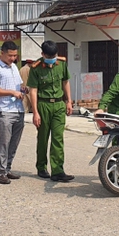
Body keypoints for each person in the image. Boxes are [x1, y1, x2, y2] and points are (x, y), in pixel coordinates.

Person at [27, 41, 74, 182]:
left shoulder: (62, 64)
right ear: (43, 54)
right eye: (49, 57)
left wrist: (69, 101)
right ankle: (41, 167)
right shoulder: (36, 68)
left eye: (54, 56)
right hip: (43, 105)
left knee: (58, 138)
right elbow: (33, 91)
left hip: (59, 105)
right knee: (43, 138)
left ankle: (58, 171)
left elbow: (65, 82)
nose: (52, 59)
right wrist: (35, 112)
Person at [0, 40, 25, 184]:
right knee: (4, 142)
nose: (12, 58)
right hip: (5, 110)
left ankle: (8, 168)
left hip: (18, 109)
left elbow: (19, 85)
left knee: (14, 143)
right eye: (10, 55)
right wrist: (12, 92)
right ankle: (1, 172)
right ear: (2, 53)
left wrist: (23, 90)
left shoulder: (14, 67)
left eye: (15, 56)